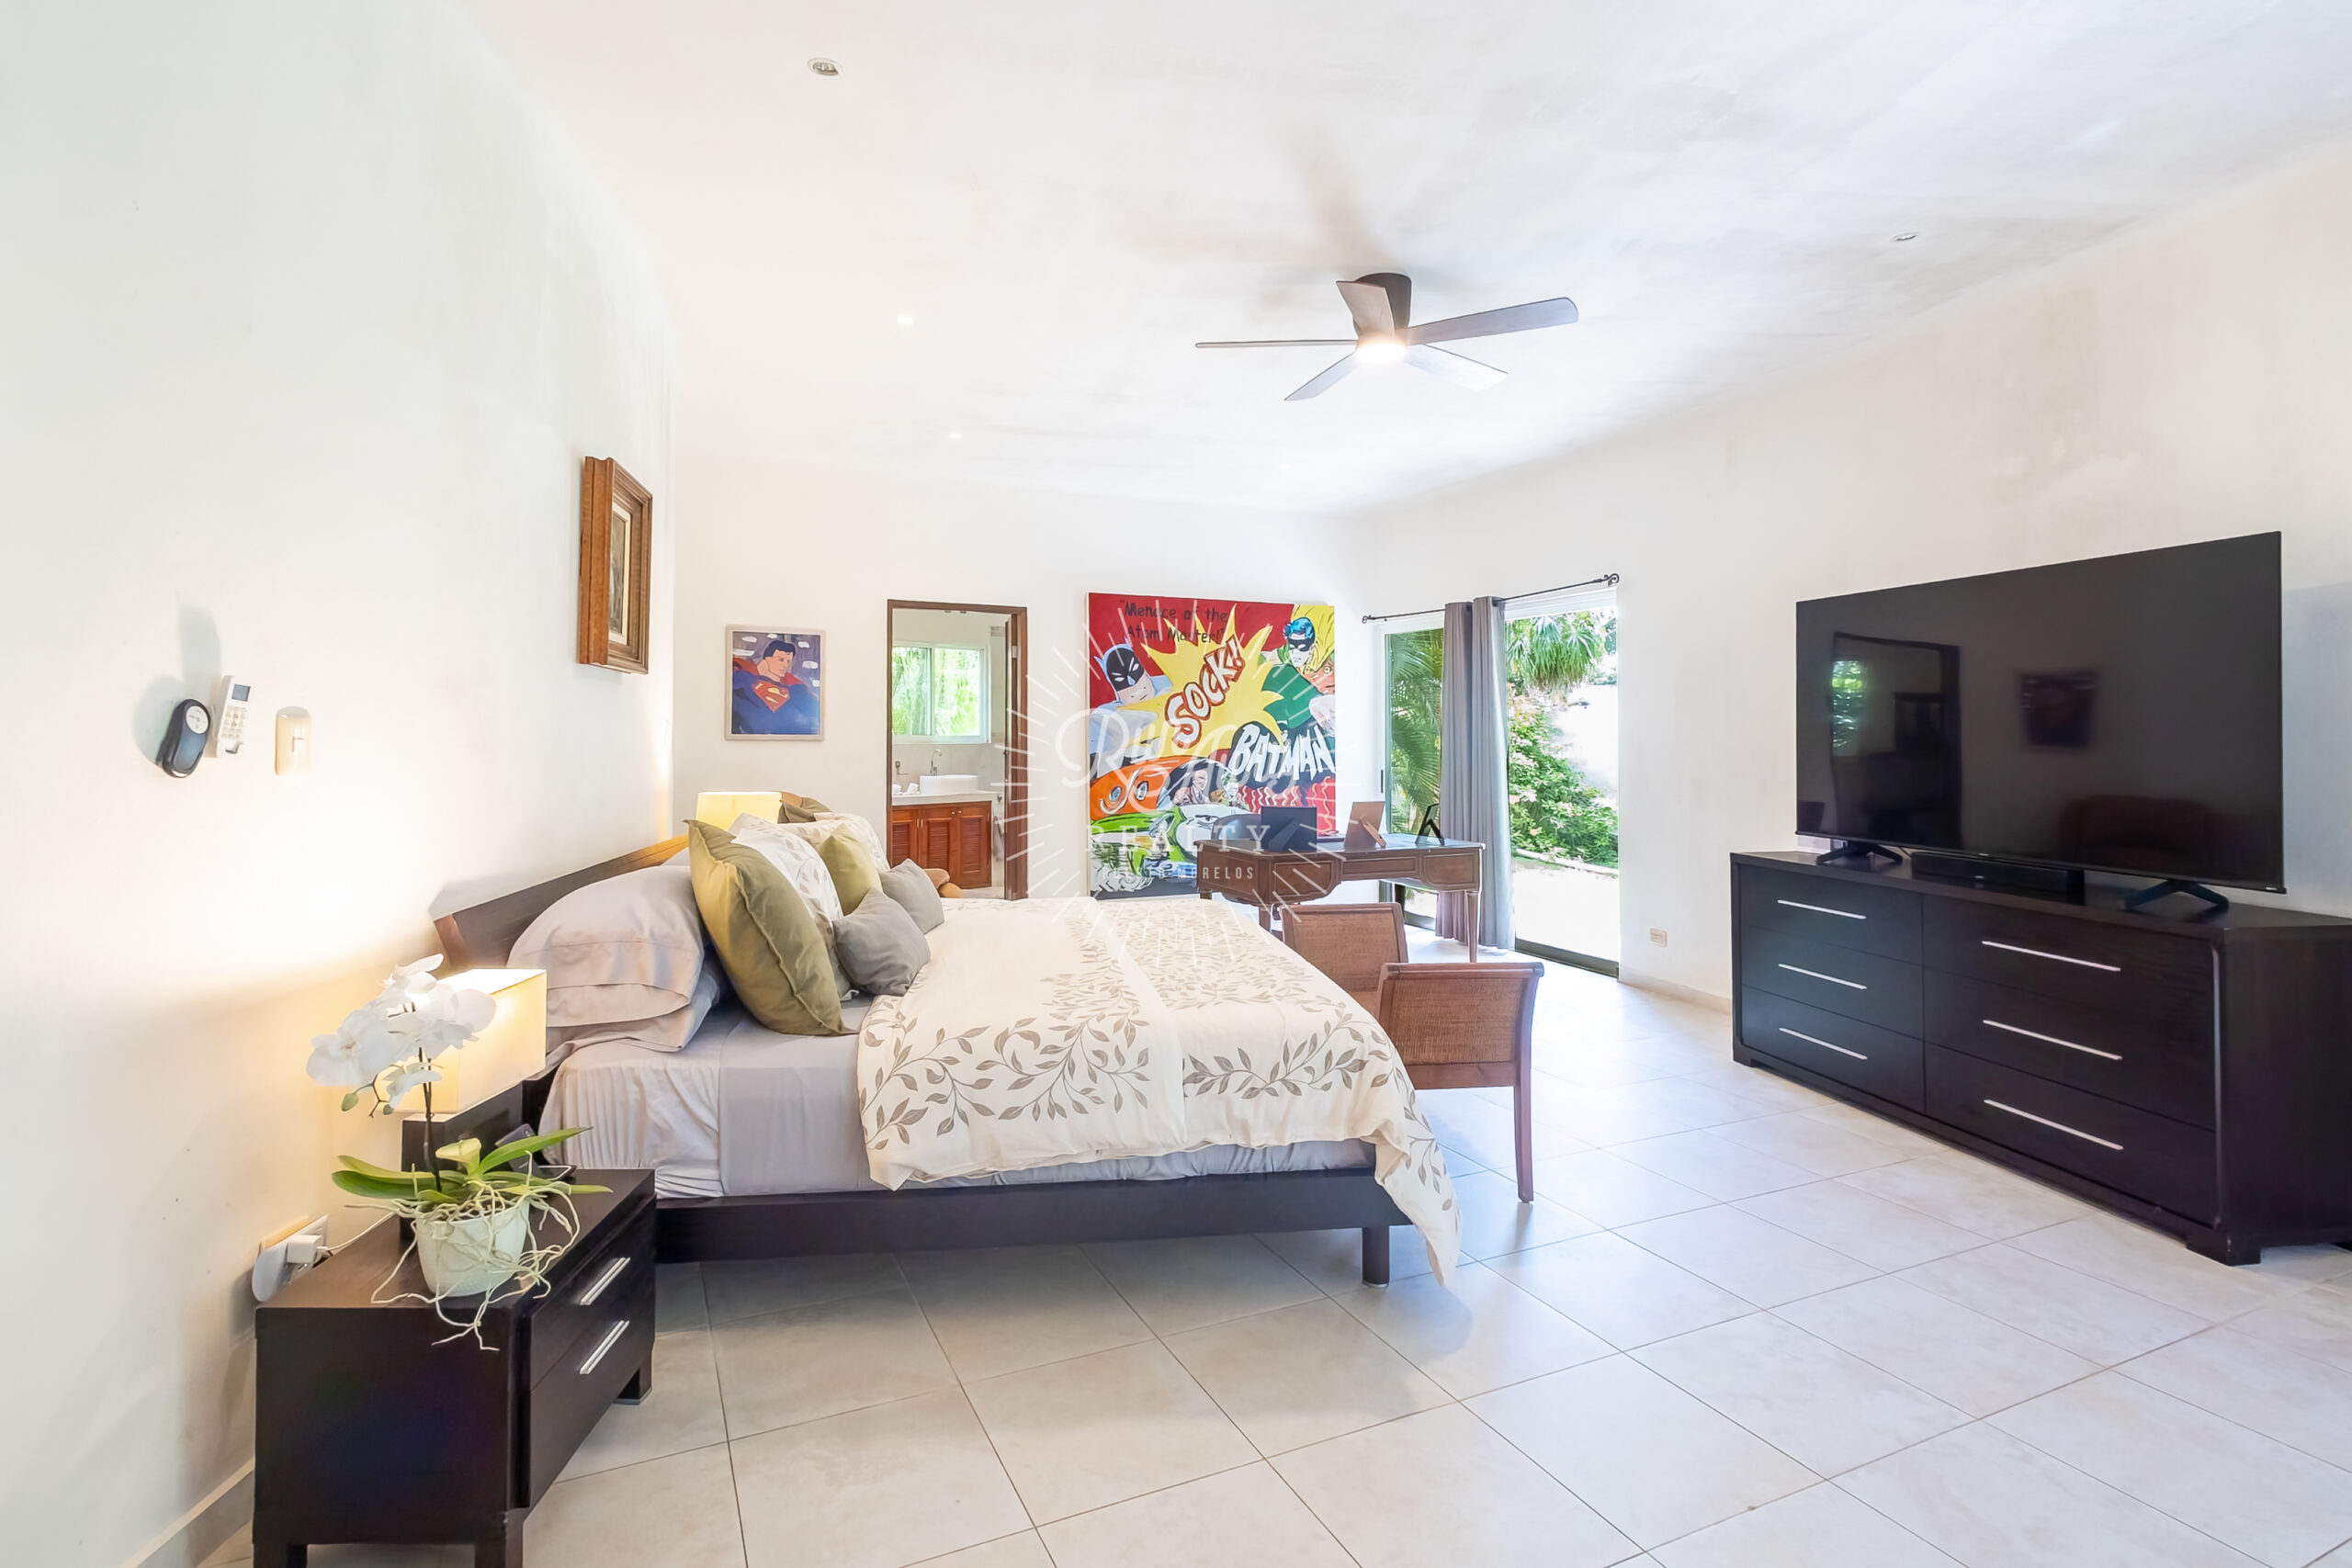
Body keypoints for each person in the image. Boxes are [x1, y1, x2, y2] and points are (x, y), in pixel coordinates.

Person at [732, 635, 820, 735]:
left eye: (788, 661)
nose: (785, 665)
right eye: (781, 660)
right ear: (767, 658)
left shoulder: (794, 685)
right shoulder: (743, 680)